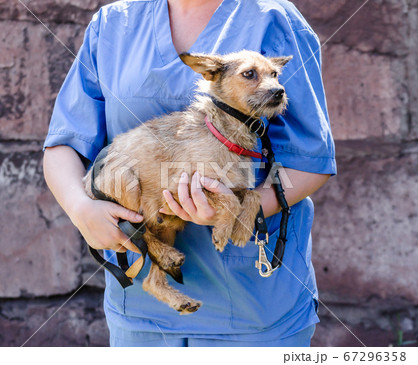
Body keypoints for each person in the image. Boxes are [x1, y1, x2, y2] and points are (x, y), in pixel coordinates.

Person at [43, 0, 336, 347]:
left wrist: (245, 209)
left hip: (253, 308)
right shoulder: (113, 24)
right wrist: (80, 209)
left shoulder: (273, 18)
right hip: (141, 315)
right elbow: (65, 143)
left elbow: (311, 159)